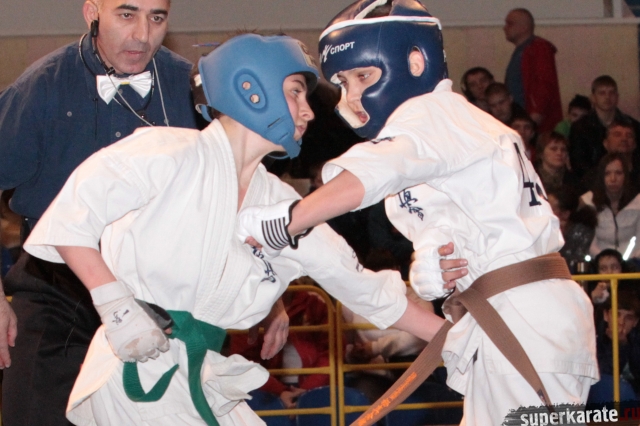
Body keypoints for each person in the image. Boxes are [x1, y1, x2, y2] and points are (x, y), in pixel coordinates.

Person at [23, 33, 445, 425]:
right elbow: (70, 220)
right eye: (295, 92)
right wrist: (116, 307)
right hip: (136, 368)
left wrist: (459, 340)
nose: (308, 111)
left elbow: (363, 289)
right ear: (250, 89)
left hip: (205, 376)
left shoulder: (283, 206)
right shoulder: (164, 152)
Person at [237, 1, 598, 424]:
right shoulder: (451, 131)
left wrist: (289, 220)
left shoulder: (433, 111)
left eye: (363, 77)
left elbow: (374, 172)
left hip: (521, 317)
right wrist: (433, 258)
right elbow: (452, 213)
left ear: (414, 61)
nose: (353, 96)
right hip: (514, 316)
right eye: (343, 83)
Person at [0, 0, 198, 424]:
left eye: (157, 18)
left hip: (161, 294)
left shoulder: (189, 87)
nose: (143, 34)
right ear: (92, 12)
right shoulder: (41, 88)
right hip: (56, 291)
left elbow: (231, 192)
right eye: (126, 15)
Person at [503, 8, 562, 133]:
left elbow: (545, 82)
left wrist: (536, 113)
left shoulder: (538, 48)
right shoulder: (523, 50)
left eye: (510, 23)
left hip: (534, 120)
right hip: (523, 117)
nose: (505, 28)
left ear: (524, 27)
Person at [569, 75, 640, 179]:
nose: (607, 97)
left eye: (612, 93)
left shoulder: (632, 125)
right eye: (602, 93)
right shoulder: (579, 128)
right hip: (592, 182)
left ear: (617, 97)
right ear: (593, 98)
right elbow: (579, 164)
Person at [580, 153, 640, 259]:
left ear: (626, 176)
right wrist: (605, 261)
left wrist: (627, 262)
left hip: (633, 263)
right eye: (607, 173)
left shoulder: (637, 202)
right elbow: (588, 241)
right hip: (598, 262)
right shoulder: (588, 202)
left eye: (618, 173)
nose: (613, 179)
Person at [589, 289, 640, 403]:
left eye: (629, 318)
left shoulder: (636, 338)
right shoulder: (594, 338)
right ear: (606, 315)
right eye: (617, 314)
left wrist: (625, 344)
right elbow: (603, 375)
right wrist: (620, 347)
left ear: (636, 322)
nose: (621, 322)